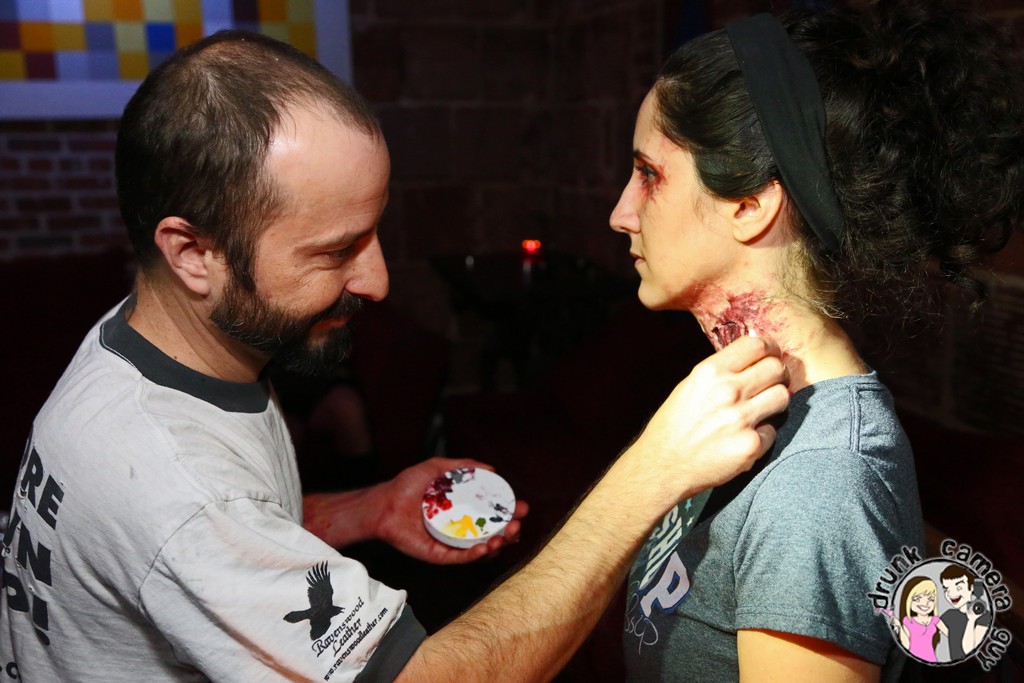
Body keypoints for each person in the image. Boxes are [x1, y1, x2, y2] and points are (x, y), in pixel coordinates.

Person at [0, 31, 790, 682]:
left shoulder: (142, 343)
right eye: (335, 250)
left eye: (374, 232)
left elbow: (225, 532)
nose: (376, 280)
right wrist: (651, 471)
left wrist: (368, 508)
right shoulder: (173, 483)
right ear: (193, 253)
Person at [610, 2, 1024, 681]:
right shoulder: (735, 403)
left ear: (750, 205)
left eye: (649, 175)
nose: (620, 213)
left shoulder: (821, 484)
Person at [939, 565, 992, 660]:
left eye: (958, 588)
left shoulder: (984, 616)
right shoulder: (949, 615)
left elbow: (968, 650)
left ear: (971, 588)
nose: (951, 593)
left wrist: (971, 620)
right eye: (946, 589)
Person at [890, 577, 946, 662]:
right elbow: (906, 645)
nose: (925, 603)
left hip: (931, 659)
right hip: (912, 661)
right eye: (917, 599)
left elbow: (952, 635)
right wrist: (899, 626)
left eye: (931, 599)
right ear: (908, 599)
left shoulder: (935, 620)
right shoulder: (907, 621)